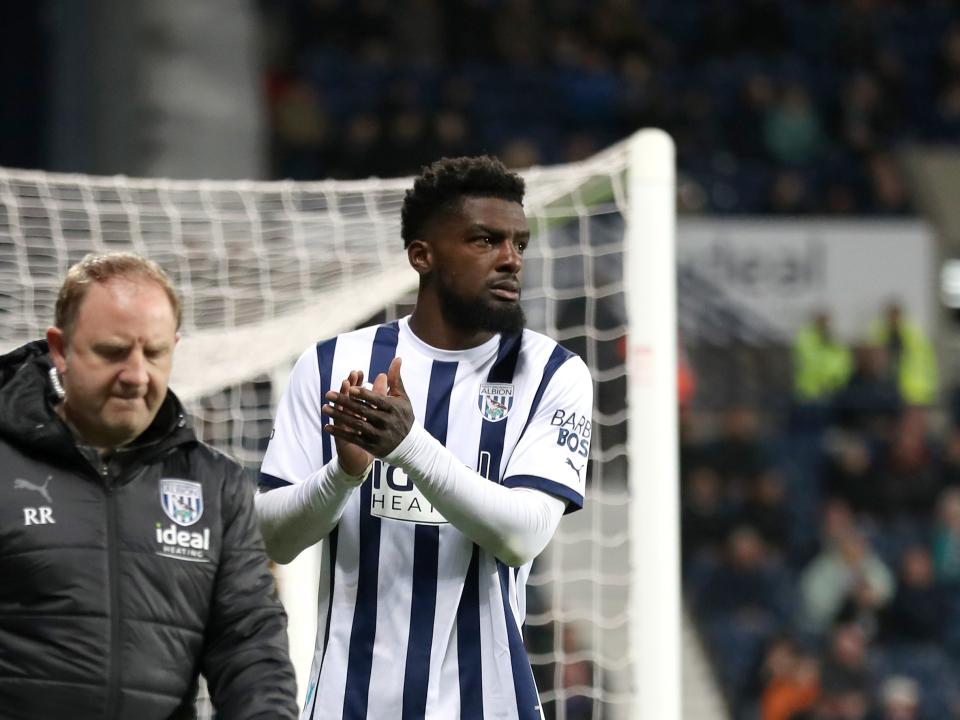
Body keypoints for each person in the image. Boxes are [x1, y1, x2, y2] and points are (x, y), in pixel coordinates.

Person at [256, 156, 593, 719]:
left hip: (489, 703)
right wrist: (344, 474)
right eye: (485, 240)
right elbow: (273, 539)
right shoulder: (332, 364)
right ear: (423, 256)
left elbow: (524, 534)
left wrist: (407, 446)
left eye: (519, 244)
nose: (511, 260)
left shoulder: (553, 373)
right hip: (348, 702)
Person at [0, 252, 298, 719]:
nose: (136, 376)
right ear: (60, 348)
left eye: (155, 353)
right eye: (113, 352)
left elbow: (249, 646)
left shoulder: (216, 487)